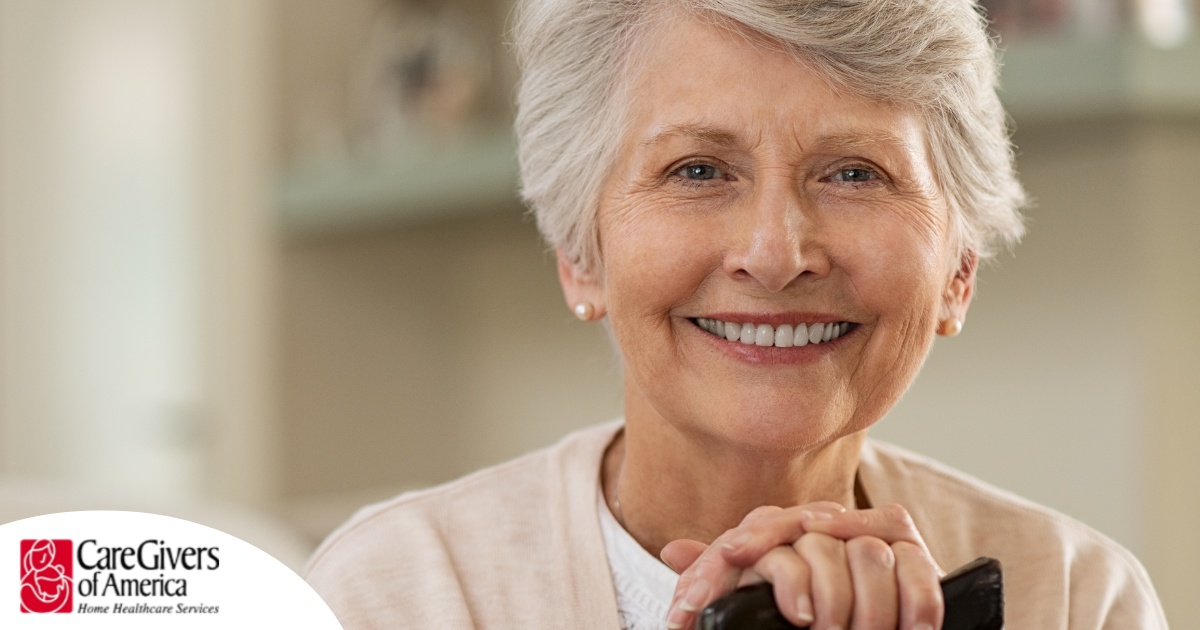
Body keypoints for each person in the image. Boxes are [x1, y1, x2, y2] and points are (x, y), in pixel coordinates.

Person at [304, 0, 1167, 627]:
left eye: (856, 173)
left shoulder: (1075, 597)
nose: (777, 251)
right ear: (580, 253)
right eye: (697, 171)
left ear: (959, 270)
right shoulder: (392, 595)